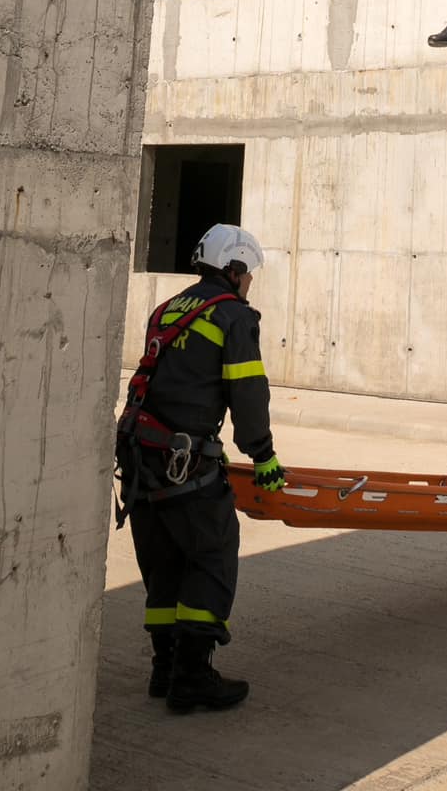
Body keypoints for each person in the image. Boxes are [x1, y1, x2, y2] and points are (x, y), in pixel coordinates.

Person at [114, 224, 285, 713]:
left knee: (164, 562)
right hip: (182, 463)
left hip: (143, 456)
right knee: (212, 556)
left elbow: (176, 383)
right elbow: (247, 394)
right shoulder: (232, 316)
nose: (249, 282)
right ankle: (192, 676)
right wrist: (264, 456)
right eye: (247, 273)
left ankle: (164, 668)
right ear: (233, 269)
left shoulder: (168, 309)